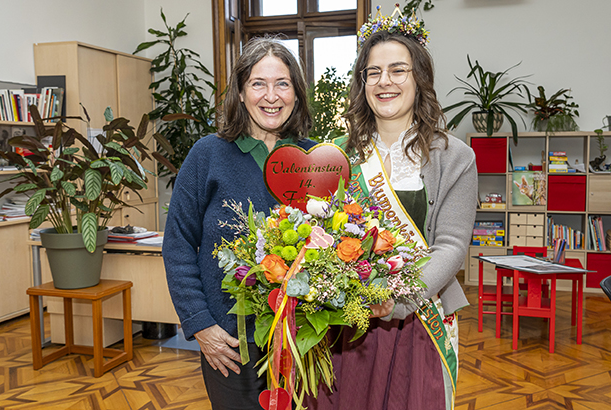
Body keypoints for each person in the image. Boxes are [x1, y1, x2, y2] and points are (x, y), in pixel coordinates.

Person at [306, 8, 478, 410]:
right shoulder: (338, 155)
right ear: (362, 82)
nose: (385, 82)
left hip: (418, 319)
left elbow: (451, 246)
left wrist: (396, 300)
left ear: (419, 79)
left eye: (398, 70)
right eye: (373, 72)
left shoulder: (455, 157)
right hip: (347, 324)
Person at [163, 36, 315, 410]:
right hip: (229, 343)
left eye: (282, 83)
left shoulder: (315, 159)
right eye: (258, 84)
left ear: (296, 93)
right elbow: (179, 243)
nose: (271, 95)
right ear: (242, 92)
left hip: (304, 338)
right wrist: (200, 324)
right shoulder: (207, 155)